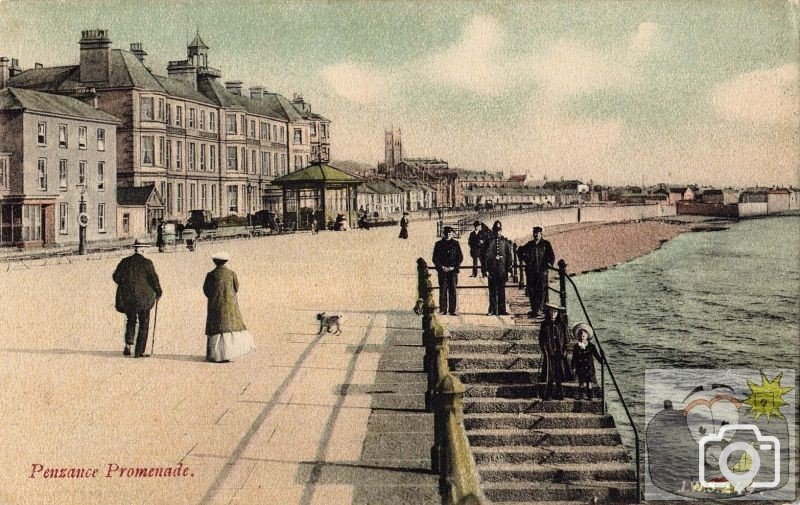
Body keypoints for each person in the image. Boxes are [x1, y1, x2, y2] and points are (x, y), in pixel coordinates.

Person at [113, 238, 162, 358]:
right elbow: (154, 280)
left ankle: (128, 344)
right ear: (141, 249)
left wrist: (127, 285)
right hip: (143, 299)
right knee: (144, 323)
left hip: (128, 298)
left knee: (131, 320)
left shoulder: (124, 261)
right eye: (145, 249)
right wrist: (159, 292)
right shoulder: (147, 263)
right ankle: (139, 351)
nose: (146, 251)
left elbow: (116, 277)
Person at [203, 252, 256, 363]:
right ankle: (230, 353)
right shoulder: (231, 274)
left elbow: (206, 290)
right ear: (226, 261)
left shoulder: (211, 275)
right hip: (230, 305)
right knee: (230, 326)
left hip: (215, 305)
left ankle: (216, 355)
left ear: (214, 262)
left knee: (217, 328)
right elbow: (236, 288)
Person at [517, 226, 555, 317]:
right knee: (532, 291)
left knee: (541, 291)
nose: (535, 235)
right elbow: (519, 251)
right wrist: (524, 260)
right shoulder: (530, 244)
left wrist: (549, 263)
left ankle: (540, 309)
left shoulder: (546, 244)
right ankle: (534, 309)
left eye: (537, 233)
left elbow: (552, 256)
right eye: (534, 233)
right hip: (532, 272)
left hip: (542, 272)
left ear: (541, 234)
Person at [539, 303, 569, 400]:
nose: (553, 314)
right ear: (548, 312)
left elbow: (566, 339)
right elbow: (541, 339)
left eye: (555, 312)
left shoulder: (562, 324)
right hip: (549, 352)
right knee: (550, 373)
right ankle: (548, 394)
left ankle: (560, 393)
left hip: (559, 352)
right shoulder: (544, 324)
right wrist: (544, 349)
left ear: (558, 313)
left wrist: (565, 349)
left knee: (559, 372)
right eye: (551, 311)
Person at [482, 220, 513, 315]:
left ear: (501, 231)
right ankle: (492, 310)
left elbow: (509, 257)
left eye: (499, 231)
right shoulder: (488, 242)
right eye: (496, 230)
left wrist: (509, 270)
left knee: (501, 291)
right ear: (493, 231)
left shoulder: (505, 242)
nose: (497, 233)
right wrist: (485, 270)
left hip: (502, 271)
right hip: (492, 270)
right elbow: (484, 257)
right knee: (492, 291)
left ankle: (502, 310)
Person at [432, 226, 464, 315]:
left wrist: (453, 267)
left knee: (453, 290)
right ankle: (443, 309)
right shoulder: (438, 244)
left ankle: (452, 310)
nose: (448, 235)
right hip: (442, 272)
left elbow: (460, 257)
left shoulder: (456, 244)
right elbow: (435, 258)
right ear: (443, 234)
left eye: (449, 233)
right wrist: (441, 267)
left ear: (452, 234)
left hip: (453, 271)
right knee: (443, 290)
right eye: (446, 233)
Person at [570, 323, 601, 400]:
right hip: (580, 366)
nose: (582, 336)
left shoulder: (591, 346)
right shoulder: (576, 347)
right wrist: (573, 366)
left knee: (589, 382)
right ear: (578, 336)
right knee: (581, 381)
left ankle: (590, 395)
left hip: (589, 367)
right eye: (580, 334)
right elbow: (574, 358)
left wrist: (601, 360)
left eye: (584, 335)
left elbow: (596, 355)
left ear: (587, 336)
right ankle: (581, 395)